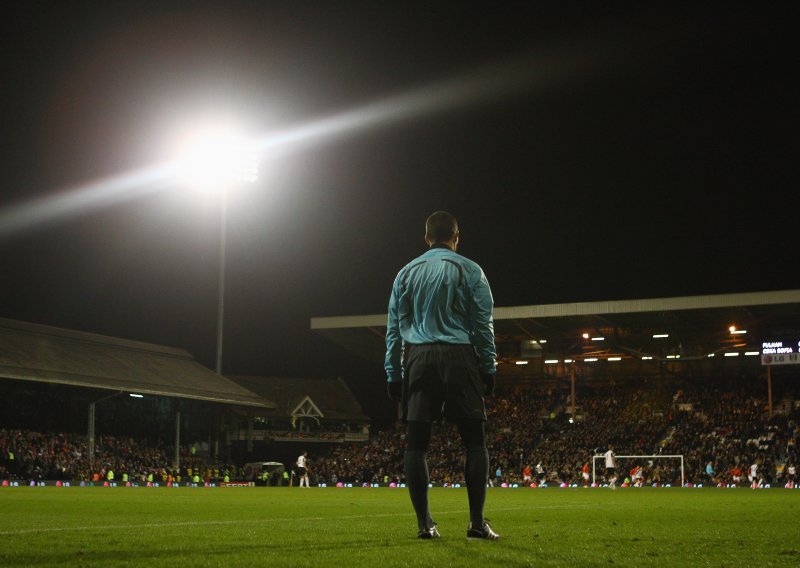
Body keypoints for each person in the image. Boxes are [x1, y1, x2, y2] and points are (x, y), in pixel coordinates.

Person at [385, 211, 499, 541]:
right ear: (457, 237)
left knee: (416, 445)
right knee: (474, 441)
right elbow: (482, 324)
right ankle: (476, 523)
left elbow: (393, 328)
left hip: (419, 357)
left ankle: (425, 524)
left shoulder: (405, 273)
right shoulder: (471, 270)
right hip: (460, 356)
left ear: (426, 238)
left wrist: (393, 371)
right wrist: (489, 366)